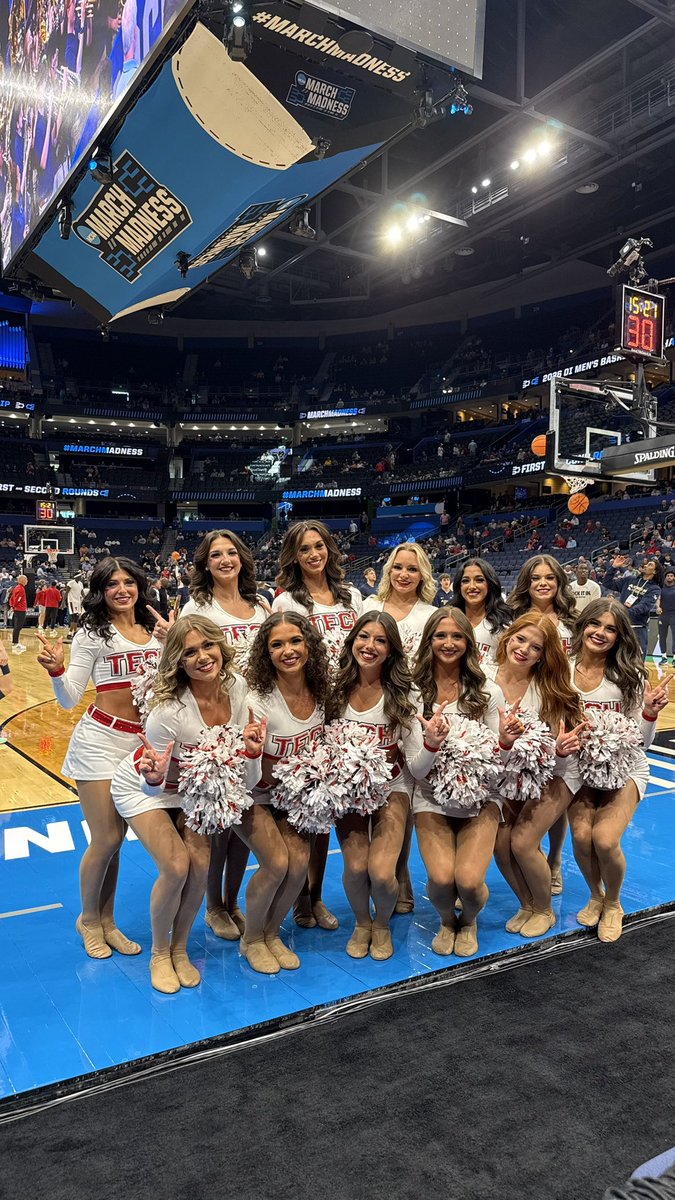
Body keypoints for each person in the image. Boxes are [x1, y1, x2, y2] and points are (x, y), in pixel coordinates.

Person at [111, 617, 264, 993]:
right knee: (176, 866)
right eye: (190, 652)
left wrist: (251, 754)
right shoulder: (168, 713)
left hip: (194, 792)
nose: (202, 657)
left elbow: (244, 775)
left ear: (221, 647)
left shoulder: (237, 687)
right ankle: (159, 953)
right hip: (145, 789)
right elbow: (153, 785)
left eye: (208, 646)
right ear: (178, 661)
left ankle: (180, 949)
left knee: (200, 867)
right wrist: (152, 778)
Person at [35, 557, 161, 960]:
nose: (122, 590)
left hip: (139, 747)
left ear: (139, 585)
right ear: (100, 591)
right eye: (111, 584)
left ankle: (108, 922)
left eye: (128, 582)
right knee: (105, 838)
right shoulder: (93, 632)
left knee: (117, 842)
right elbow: (69, 698)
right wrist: (57, 671)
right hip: (100, 742)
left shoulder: (156, 629)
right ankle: (89, 919)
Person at [328, 612, 446, 961]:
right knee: (355, 868)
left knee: (381, 873)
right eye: (364, 637)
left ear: (391, 649)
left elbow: (417, 767)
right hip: (347, 792)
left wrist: (431, 744)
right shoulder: (333, 689)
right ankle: (362, 923)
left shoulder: (405, 693)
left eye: (381, 640)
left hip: (392, 787)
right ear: (352, 641)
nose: (370, 646)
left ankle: (381, 924)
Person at [412, 608, 521, 957]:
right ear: (429, 641)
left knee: (470, 884)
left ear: (469, 643)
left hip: (481, 798)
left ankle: (469, 920)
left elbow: (498, 767)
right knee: (442, 881)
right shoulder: (413, 690)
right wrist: (432, 744)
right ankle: (447, 921)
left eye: (457, 636)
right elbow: (416, 770)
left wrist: (505, 743)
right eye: (440, 636)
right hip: (430, 797)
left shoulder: (488, 690)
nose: (449, 643)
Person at [273, 520, 363, 931]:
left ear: (330, 549)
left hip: (346, 708)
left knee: (326, 802)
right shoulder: (286, 601)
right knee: (302, 798)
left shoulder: (351, 596)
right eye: (304, 548)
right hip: (307, 706)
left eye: (319, 546)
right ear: (294, 556)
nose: (313, 554)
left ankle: (316, 895)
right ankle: (298, 898)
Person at [180, 529, 270, 941]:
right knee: (218, 822)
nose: (225, 560)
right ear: (205, 564)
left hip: (256, 715)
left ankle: (232, 901)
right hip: (216, 718)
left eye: (231, 552)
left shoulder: (260, 605)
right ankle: (213, 906)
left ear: (242, 558)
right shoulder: (197, 608)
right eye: (215, 555)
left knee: (244, 819)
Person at [569, 598, 670, 943]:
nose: (600, 633)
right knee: (581, 836)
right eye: (594, 624)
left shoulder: (630, 675)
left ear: (619, 636)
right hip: (579, 769)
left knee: (604, 838)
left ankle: (613, 903)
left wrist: (650, 713)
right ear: (583, 626)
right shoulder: (561, 669)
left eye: (610, 629)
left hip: (626, 767)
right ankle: (595, 894)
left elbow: (641, 741)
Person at [487, 614, 585, 938]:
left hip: (556, 770)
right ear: (508, 637)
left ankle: (545, 910)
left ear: (544, 655)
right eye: (520, 639)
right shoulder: (483, 677)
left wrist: (561, 749)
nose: (524, 649)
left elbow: (562, 744)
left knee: (523, 841)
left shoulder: (550, 688)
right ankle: (527, 904)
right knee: (501, 844)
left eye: (536, 647)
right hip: (507, 774)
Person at [244, 612, 331, 974]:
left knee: (297, 868)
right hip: (253, 794)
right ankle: (251, 939)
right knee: (277, 863)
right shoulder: (257, 700)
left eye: (295, 640)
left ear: (309, 644)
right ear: (266, 654)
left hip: (293, 800)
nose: (288, 650)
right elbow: (247, 773)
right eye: (276, 645)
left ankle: (271, 933)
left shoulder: (323, 691)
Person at [363, 542, 438, 913]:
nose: (404, 575)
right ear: (388, 571)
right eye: (398, 567)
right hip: (372, 706)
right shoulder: (369, 606)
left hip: (413, 707)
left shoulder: (431, 614)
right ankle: (381, 875)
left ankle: (401, 872)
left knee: (404, 793)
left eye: (412, 568)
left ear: (422, 574)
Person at [451, 557, 512, 663]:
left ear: (490, 584)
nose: (472, 586)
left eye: (479, 580)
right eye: (465, 581)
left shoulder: (504, 625)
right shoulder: (448, 620)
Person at [603, 555, 662, 656]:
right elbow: (607, 583)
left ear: (655, 572)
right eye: (646, 564)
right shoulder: (630, 579)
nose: (645, 565)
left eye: (650, 565)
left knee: (636, 661)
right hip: (620, 626)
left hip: (637, 629)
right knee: (614, 659)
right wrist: (614, 567)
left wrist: (623, 613)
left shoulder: (654, 588)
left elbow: (644, 606)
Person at [658, 569, 675, 664]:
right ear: (665, 578)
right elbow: (658, 599)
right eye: (668, 576)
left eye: (671, 576)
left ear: (674, 578)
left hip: (673, 615)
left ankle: (674, 658)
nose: (669, 577)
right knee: (662, 636)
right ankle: (664, 657)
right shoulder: (661, 588)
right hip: (663, 615)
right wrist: (657, 607)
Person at [9, 574, 28, 654]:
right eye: (26, 579)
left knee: (17, 627)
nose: (27, 581)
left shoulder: (16, 587)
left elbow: (11, 598)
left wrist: (12, 606)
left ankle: (15, 642)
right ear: (23, 580)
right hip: (20, 610)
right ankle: (15, 643)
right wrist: (14, 606)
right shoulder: (21, 589)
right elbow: (18, 599)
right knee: (18, 627)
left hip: (17, 609)